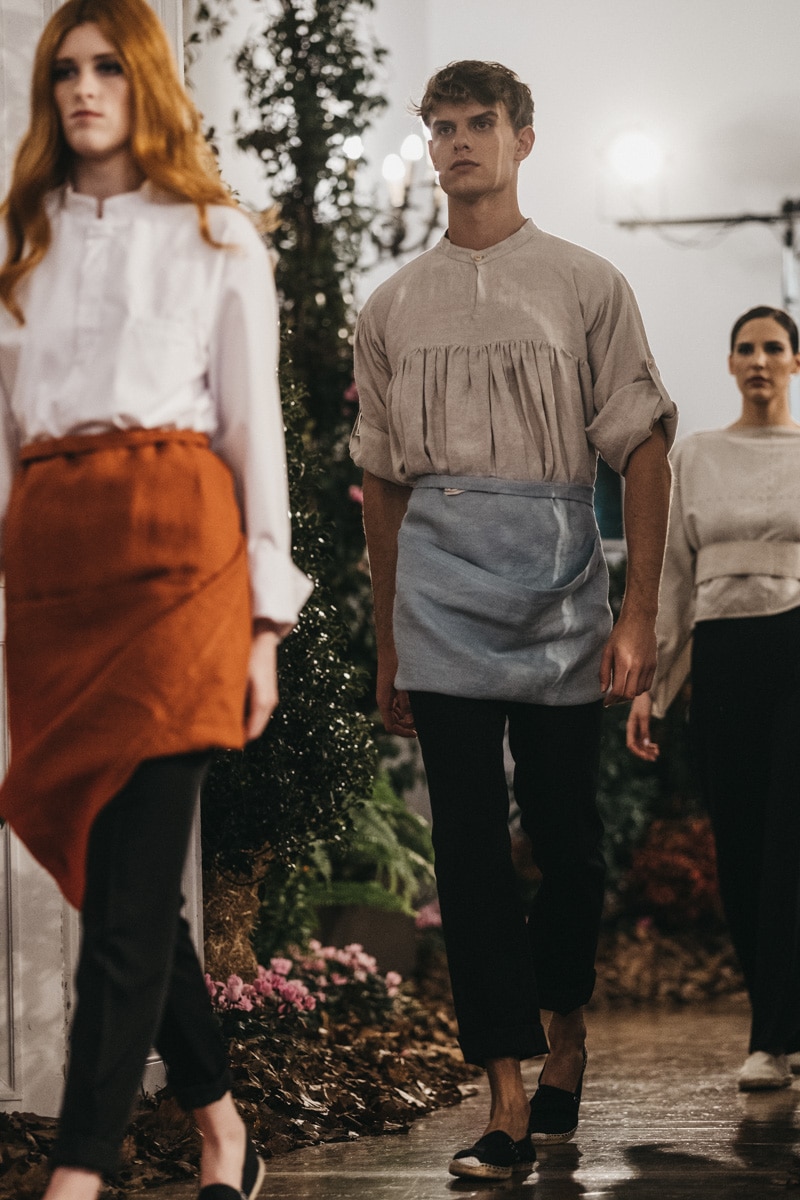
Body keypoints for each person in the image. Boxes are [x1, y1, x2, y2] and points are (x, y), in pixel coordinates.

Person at [0, 2, 312, 1197]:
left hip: (182, 573)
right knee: (119, 878)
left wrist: (265, 624)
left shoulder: (216, 237)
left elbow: (252, 432)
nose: (85, 89)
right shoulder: (21, 241)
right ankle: (223, 1126)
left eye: (109, 68)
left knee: (125, 897)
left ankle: (80, 1171)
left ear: (147, 83)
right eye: (66, 70)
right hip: (57, 584)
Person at [351, 59, 676, 1180]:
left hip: (559, 588)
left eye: (478, 123)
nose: (457, 143)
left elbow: (642, 448)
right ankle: (500, 1091)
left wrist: (636, 613)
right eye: (440, 126)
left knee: (569, 840)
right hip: (437, 592)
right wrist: (390, 638)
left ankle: (565, 1028)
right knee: (467, 850)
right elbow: (382, 483)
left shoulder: (587, 283)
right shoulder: (391, 304)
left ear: (522, 138)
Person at [628, 305, 800, 1093]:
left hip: (797, 646)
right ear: (731, 363)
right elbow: (671, 577)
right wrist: (651, 686)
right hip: (725, 659)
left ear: (794, 363)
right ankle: (779, 1023)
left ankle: (771, 1041)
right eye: (746, 348)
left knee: (788, 839)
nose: (759, 360)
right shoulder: (696, 455)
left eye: (774, 348)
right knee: (742, 845)